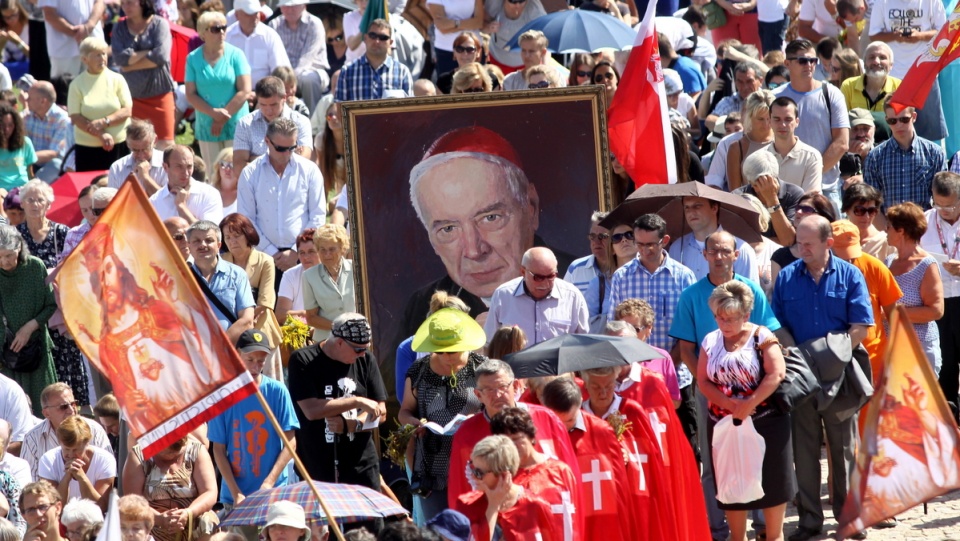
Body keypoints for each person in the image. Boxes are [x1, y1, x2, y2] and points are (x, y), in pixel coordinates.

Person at [669, 230, 781, 541]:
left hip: (757, 397)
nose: (719, 256)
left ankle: (762, 527)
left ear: (736, 255)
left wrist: (752, 395)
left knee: (759, 458)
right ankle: (719, 530)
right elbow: (686, 347)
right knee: (716, 462)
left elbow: (768, 337)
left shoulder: (752, 292)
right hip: (710, 395)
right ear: (704, 255)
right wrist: (709, 383)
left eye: (725, 251)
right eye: (713, 251)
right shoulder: (692, 295)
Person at [771, 215, 873, 541]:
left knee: (844, 451)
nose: (802, 248)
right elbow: (776, 325)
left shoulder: (850, 275)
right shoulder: (786, 277)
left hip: (840, 375)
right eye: (799, 242)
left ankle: (848, 520)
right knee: (804, 451)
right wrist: (803, 360)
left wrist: (831, 356)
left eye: (808, 243)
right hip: (800, 377)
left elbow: (861, 326)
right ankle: (809, 521)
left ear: (828, 243)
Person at [403, 125, 543, 330]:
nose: (474, 251)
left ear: (531, 208)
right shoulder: (421, 308)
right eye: (448, 229)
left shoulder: (573, 281)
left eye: (490, 217)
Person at [697, 281, 793, 541]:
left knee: (772, 484)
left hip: (766, 423)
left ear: (746, 315)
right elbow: (703, 381)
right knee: (731, 487)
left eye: (731, 318)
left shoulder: (762, 336)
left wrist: (748, 404)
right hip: (724, 424)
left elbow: (777, 373)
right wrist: (730, 406)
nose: (724, 324)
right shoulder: (710, 340)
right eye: (719, 317)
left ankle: (774, 536)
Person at [446, 359, 579, 508]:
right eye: (488, 390)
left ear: (515, 386)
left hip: (550, 511)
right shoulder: (466, 434)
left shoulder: (547, 419)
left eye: (502, 387)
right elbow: (459, 491)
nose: (497, 395)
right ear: (478, 395)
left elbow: (570, 473)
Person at [399, 308, 487, 521]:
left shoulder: (481, 369)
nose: (446, 357)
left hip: (475, 465)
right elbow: (404, 411)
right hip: (431, 469)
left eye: (452, 351)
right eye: (440, 351)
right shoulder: (418, 371)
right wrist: (413, 423)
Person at [209, 329, 298, 539]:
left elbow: (290, 442)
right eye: (250, 359)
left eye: (261, 360)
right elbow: (219, 450)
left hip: (274, 494)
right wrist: (236, 492)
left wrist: (269, 482)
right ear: (237, 354)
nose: (256, 366)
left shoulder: (277, 391)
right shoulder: (223, 395)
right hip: (237, 495)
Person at [288, 314, 387, 489]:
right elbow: (311, 410)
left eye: (366, 348)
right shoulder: (303, 360)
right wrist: (356, 401)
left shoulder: (366, 360)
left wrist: (353, 424)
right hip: (318, 465)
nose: (362, 354)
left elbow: (381, 411)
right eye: (358, 349)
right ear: (340, 342)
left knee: (371, 517)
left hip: (362, 464)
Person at [540, 378, 638, 541]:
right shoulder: (538, 432)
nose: (563, 428)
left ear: (580, 403)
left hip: (599, 514)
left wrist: (624, 462)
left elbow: (620, 485)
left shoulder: (602, 431)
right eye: (558, 422)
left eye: (570, 420)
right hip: (563, 515)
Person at [236, 117, 325, 273]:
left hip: (303, 256)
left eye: (292, 147)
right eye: (281, 148)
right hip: (262, 257)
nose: (287, 154)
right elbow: (246, 219)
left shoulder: (310, 170)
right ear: (267, 141)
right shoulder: (250, 173)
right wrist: (272, 252)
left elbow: (318, 215)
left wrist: (296, 250)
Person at [773, 39, 849, 211]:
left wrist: (809, 174)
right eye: (802, 60)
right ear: (787, 64)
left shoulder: (832, 94)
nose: (809, 65)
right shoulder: (774, 97)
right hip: (784, 189)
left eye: (812, 60)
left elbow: (841, 143)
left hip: (826, 188)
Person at [488, 407, 583, 541]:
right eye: (505, 442)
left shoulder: (560, 470)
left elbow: (575, 518)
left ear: (531, 437)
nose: (511, 447)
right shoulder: (501, 478)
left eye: (516, 439)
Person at [830, 220, 902, 388]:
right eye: (842, 254)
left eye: (852, 253)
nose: (849, 261)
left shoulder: (876, 267)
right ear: (828, 247)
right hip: (832, 358)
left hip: (874, 359)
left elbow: (894, 314)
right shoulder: (816, 272)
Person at [454, 435, 559, 541]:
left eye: (478, 472)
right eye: (471, 466)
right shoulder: (466, 505)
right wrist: (493, 507)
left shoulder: (536, 506)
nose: (472, 476)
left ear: (503, 475)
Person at [0, 223, 58, 416]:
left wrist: (30, 327)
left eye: (8, 255)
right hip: (7, 352)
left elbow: (51, 304)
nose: (4, 262)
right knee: (13, 411)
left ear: (19, 247)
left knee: (45, 406)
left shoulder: (34, 267)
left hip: (36, 347)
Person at [185, 11, 251, 172]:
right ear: (203, 33)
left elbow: (245, 90)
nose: (221, 32)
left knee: (239, 171)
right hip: (207, 123)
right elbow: (190, 94)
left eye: (223, 27)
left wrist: (222, 117)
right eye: (215, 29)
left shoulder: (236, 55)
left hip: (236, 122)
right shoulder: (192, 58)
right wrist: (213, 114)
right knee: (213, 172)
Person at [122, 434, 218, 541]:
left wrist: (188, 513)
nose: (172, 455)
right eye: (167, 451)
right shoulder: (138, 454)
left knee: (208, 520)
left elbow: (209, 492)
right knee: (134, 525)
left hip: (191, 519)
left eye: (176, 451)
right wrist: (159, 519)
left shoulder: (196, 450)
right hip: (152, 520)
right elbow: (133, 500)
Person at [484, 247, 589, 345]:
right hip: (514, 364)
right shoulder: (503, 295)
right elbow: (490, 343)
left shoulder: (572, 297)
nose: (545, 283)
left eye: (551, 276)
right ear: (523, 272)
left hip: (558, 364)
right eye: (538, 277)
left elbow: (584, 343)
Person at [885, 203, 945, 372]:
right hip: (892, 349)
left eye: (888, 227)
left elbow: (935, 311)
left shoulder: (927, 264)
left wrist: (892, 312)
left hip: (920, 350)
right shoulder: (888, 262)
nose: (885, 231)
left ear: (901, 230)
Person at [920, 172, 960, 419]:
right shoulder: (923, 223)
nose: (945, 211)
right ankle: (949, 417)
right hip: (938, 303)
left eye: (952, 205)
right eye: (939, 205)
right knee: (944, 363)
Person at [111, 0, 176, 149]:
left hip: (160, 94)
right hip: (132, 97)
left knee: (165, 144)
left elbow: (161, 56)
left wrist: (130, 65)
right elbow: (120, 58)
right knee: (137, 146)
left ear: (142, 3)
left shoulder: (159, 24)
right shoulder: (119, 27)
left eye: (130, 3)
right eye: (123, 3)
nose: (126, 7)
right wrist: (148, 52)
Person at [865, 96, 945, 212]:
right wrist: (887, 230)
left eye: (904, 119)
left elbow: (942, 200)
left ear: (914, 117)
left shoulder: (934, 153)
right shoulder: (875, 157)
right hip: (888, 226)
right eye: (893, 121)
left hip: (924, 226)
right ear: (886, 120)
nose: (898, 125)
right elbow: (872, 203)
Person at [21, 384, 112, 481]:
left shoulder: (95, 430)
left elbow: (109, 472)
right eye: (63, 407)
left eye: (73, 404)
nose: (71, 410)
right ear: (46, 413)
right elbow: (30, 483)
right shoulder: (32, 438)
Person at [68, 37, 133, 172]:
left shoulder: (117, 79)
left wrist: (104, 122)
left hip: (118, 145)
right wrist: (101, 134)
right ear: (85, 59)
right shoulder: (76, 85)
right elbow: (75, 117)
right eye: (96, 55)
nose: (102, 58)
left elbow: (127, 110)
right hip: (87, 149)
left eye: (103, 54)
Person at [187, 219, 254, 341]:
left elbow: (247, 319)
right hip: (193, 353)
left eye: (209, 240)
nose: (203, 245)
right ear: (189, 246)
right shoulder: (181, 277)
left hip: (229, 352)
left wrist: (221, 347)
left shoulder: (237, 275)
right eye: (196, 241)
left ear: (219, 245)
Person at [668, 196, 760, 282]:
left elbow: (751, 294)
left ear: (714, 208)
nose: (691, 212)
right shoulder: (676, 248)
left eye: (697, 206)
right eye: (686, 207)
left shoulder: (741, 249)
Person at [232, 77, 313, 170]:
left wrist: (255, 159)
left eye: (273, 105)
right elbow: (239, 167)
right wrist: (288, 158)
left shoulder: (301, 122)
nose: (268, 110)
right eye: (263, 105)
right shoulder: (245, 124)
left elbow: (304, 161)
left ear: (284, 98)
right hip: (258, 184)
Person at [37, 415, 114, 507]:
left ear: (87, 443)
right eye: (66, 449)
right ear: (60, 442)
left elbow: (101, 506)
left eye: (76, 450)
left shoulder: (105, 460)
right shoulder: (47, 460)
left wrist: (82, 478)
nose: (71, 455)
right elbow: (54, 507)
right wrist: (66, 478)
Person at [268, 0, 330, 112]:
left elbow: (308, 56)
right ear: (281, 8)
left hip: (312, 69)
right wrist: (283, 77)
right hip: (282, 72)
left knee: (309, 79)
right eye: (286, 6)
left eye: (294, 6)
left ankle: (313, 121)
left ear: (304, 6)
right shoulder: (274, 24)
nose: (290, 9)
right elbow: (271, 54)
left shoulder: (315, 23)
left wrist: (290, 79)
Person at [734, 151, 804, 246]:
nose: (761, 189)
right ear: (749, 182)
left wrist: (772, 200)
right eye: (756, 184)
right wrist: (775, 241)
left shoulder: (795, 194)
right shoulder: (738, 196)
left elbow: (788, 241)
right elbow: (737, 241)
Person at [300, 224, 354, 342]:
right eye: (322, 250)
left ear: (342, 249)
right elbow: (311, 318)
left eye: (332, 249)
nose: (327, 254)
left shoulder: (357, 269)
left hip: (357, 339)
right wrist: (339, 328)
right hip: (326, 342)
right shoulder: (309, 276)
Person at [335, 19, 412, 101]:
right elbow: (340, 109)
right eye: (372, 36)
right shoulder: (347, 72)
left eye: (383, 37)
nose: (377, 41)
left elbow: (410, 108)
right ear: (365, 38)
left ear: (391, 42)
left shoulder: (403, 72)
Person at [769, 192, 838, 280]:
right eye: (798, 208)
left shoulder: (837, 254)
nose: (798, 211)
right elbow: (778, 292)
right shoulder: (780, 256)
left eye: (806, 209)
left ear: (822, 216)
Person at [219, 213, 275, 320]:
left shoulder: (265, 261)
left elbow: (265, 302)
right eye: (227, 237)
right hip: (227, 322)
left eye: (237, 236)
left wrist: (244, 322)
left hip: (258, 321)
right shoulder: (220, 261)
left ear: (248, 235)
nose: (232, 241)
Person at [149, 146, 223, 223]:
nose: (186, 173)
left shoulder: (209, 194)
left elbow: (210, 233)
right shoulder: (155, 202)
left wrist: (182, 207)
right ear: (165, 167)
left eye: (189, 166)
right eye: (179, 167)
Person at [225, 0, 290, 86]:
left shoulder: (270, 36)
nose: (254, 17)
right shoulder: (227, 36)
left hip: (266, 93)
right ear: (237, 15)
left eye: (256, 13)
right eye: (249, 14)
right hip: (234, 93)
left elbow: (281, 71)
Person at [766, 96, 822, 193]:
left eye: (788, 119)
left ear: (797, 122)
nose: (782, 125)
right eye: (777, 119)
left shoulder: (811, 157)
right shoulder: (760, 156)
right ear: (769, 121)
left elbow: (810, 198)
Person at [723, 90, 775, 191]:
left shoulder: (783, 143)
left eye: (770, 118)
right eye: (760, 119)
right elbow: (735, 193)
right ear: (749, 117)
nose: (766, 124)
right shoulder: (737, 148)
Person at [38, 0, 104, 78]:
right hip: (65, 50)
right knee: (65, 89)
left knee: (97, 87)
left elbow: (99, 2)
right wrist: (76, 32)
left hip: (93, 44)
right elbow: (49, 14)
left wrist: (89, 26)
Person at [23, 82, 71, 184]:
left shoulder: (62, 120)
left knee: (56, 164)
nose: (26, 100)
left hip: (48, 166)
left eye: (30, 98)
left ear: (43, 101)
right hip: (30, 163)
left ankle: (32, 187)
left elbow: (54, 153)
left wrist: (24, 157)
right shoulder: (28, 116)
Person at [106, 119, 167, 195]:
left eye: (145, 149)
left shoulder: (168, 163)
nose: (141, 156)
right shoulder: (117, 168)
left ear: (155, 140)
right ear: (127, 144)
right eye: (135, 150)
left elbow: (168, 202)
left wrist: (145, 177)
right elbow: (113, 203)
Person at [483, 0, 544, 74]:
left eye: (521, 1)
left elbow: (544, 43)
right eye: (513, 1)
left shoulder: (535, 9)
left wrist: (545, 67)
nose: (517, 5)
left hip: (526, 62)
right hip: (497, 60)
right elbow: (481, 26)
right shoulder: (494, 3)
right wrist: (488, 27)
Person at [700, 63, 763, 133]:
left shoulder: (768, 100)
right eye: (740, 82)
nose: (745, 87)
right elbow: (709, 120)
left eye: (749, 81)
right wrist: (733, 128)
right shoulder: (730, 101)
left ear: (760, 81)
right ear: (735, 83)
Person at [427, 0, 484, 76]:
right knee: (448, 85)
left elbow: (479, 22)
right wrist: (470, 24)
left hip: (472, 49)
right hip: (446, 50)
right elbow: (441, 26)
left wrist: (452, 24)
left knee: (476, 84)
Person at [563, 211, 610, 299]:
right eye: (592, 236)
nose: (596, 242)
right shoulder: (575, 268)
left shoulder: (624, 269)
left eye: (602, 236)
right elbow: (564, 303)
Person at [275, 228, 318, 323]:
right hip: (299, 330)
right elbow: (280, 314)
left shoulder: (332, 273)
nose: (306, 257)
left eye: (311, 251)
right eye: (302, 253)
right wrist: (304, 314)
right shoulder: (290, 275)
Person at [501, 31, 567, 92]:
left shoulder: (557, 78)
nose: (526, 55)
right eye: (523, 50)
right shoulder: (510, 80)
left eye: (531, 51)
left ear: (543, 52)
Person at [842, 183, 894, 259]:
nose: (866, 216)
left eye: (871, 211)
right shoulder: (838, 239)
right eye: (860, 210)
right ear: (847, 210)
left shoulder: (886, 243)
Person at [0, 104, 35, 190]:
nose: (6, 129)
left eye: (10, 125)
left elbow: (30, 174)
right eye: (2, 125)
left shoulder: (25, 142)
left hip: (21, 189)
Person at [208, 148, 237, 215]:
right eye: (223, 164)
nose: (227, 169)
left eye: (232, 165)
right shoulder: (208, 191)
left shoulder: (245, 193)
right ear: (218, 167)